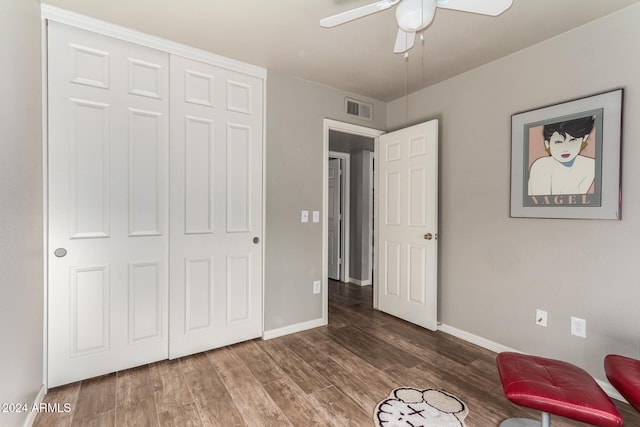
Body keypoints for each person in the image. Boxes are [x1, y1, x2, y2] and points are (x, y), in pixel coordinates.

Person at [527, 115, 595, 196]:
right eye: (558, 142)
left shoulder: (590, 165)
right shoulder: (541, 166)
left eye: (572, 140)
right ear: (547, 144)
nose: (565, 148)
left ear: (584, 139)